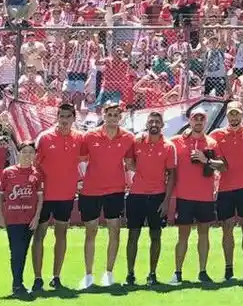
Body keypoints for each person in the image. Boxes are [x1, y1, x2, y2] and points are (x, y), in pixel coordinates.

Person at [76, 103, 136, 289]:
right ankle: (88, 275)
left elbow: (130, 163)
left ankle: (108, 273)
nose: (112, 118)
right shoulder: (90, 136)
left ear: (120, 117)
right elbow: (80, 160)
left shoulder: (128, 138)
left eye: (115, 115)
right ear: (103, 115)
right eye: (109, 114)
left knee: (114, 230)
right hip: (91, 190)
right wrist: (78, 180)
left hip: (116, 190)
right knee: (91, 231)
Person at [31, 103, 82, 293]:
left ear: (74, 118)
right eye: (61, 115)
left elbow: (85, 159)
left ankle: (56, 276)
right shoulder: (44, 138)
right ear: (57, 117)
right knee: (39, 235)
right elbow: (35, 165)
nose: (64, 119)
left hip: (66, 195)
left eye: (68, 116)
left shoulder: (79, 138)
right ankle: (37, 278)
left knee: (61, 234)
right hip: (45, 195)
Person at [170, 111, 223, 285]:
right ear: (190, 121)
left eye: (202, 119)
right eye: (195, 118)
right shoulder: (178, 141)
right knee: (183, 236)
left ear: (206, 121)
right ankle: (177, 272)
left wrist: (205, 160)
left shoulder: (211, 143)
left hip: (205, 197)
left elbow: (222, 166)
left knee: (204, 234)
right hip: (184, 196)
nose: (198, 121)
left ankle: (203, 271)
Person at [209, 102, 243, 281]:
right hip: (225, 190)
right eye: (231, 114)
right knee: (227, 229)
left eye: (237, 114)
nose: (234, 117)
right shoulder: (216, 135)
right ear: (227, 116)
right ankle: (229, 269)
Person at [125, 112, 175, 287]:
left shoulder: (168, 146)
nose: (154, 123)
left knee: (156, 235)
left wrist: (167, 201)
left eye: (157, 121)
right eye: (151, 121)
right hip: (136, 195)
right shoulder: (137, 141)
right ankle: (130, 274)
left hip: (157, 196)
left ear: (162, 124)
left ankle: (152, 274)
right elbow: (129, 161)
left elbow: (172, 174)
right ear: (146, 124)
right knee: (133, 235)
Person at [0, 143, 43, 298]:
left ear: (35, 155)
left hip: (28, 219)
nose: (27, 155)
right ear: (18, 153)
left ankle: (18, 283)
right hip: (13, 218)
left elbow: (40, 198)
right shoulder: (8, 172)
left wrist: (36, 218)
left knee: (23, 250)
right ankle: (17, 284)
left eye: (31, 152)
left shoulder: (37, 174)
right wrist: (0, 216)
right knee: (16, 251)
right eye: (24, 152)